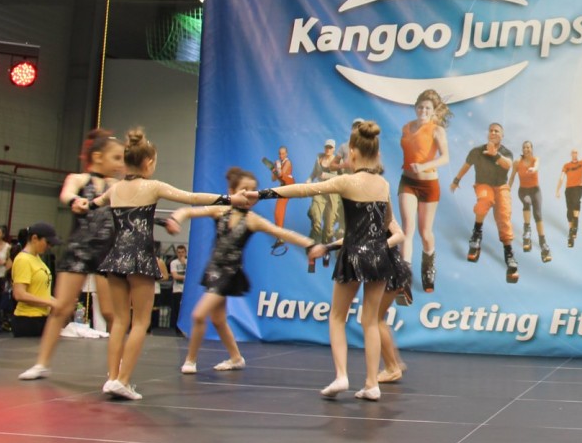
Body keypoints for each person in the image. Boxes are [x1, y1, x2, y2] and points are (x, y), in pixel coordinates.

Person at [247, 121, 408, 397]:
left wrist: (260, 194)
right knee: (370, 321)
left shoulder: (346, 181)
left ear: (353, 152)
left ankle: (342, 376)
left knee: (337, 317)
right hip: (378, 257)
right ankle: (372, 384)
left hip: (353, 254)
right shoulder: (383, 184)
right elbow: (388, 221)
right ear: (376, 153)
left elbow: (302, 190)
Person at [85, 128, 234, 401]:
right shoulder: (152, 186)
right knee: (140, 321)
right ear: (148, 162)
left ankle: (112, 378)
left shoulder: (115, 188)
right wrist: (229, 199)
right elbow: (192, 197)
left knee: (119, 321)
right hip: (139, 256)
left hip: (115, 257)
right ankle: (124, 380)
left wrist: (80, 203)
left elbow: (92, 204)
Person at [171, 168, 324, 374]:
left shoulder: (252, 219)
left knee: (199, 315)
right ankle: (236, 358)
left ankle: (190, 360)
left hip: (229, 274)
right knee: (218, 319)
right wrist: (177, 218)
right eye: (244, 190)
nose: (249, 195)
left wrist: (309, 243)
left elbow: (281, 232)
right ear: (231, 191)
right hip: (213, 269)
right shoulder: (220, 210)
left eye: (253, 191)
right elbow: (189, 211)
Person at [20, 130, 125, 381]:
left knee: (111, 313)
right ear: (97, 157)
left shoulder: (117, 186)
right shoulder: (78, 178)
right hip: (79, 249)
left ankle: (119, 367)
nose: (120, 164)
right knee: (61, 308)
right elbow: (67, 193)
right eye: (116, 158)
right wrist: (74, 201)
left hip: (106, 252)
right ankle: (42, 363)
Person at [451, 123, 518, 283]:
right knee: (484, 200)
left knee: (504, 217)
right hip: (483, 185)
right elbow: (466, 166)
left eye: (497, 131)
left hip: (501, 187)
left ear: (502, 136)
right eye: (491, 131)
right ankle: (477, 233)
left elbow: (508, 164)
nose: (493, 133)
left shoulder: (506, 153)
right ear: (488, 134)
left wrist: (495, 154)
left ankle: (509, 253)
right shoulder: (477, 151)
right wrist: (456, 180)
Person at [399, 89, 450, 292]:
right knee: (407, 231)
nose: (423, 111)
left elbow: (445, 157)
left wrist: (423, 166)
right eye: (420, 107)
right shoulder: (406, 127)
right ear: (415, 108)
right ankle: (404, 278)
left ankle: (428, 266)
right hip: (407, 183)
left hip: (429, 185)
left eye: (428, 108)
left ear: (433, 111)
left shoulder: (437, 130)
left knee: (425, 233)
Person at [10, 224, 61, 338]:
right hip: (27, 319)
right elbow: (19, 294)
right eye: (47, 242)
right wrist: (50, 302)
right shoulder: (23, 260)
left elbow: (39, 292)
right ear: (34, 238)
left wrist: (59, 302)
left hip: (41, 318)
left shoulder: (36, 258)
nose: (49, 246)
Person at [511, 140, 552, 263]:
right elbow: (512, 177)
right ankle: (527, 231)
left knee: (538, 215)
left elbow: (537, 166)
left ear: (532, 149)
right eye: (524, 147)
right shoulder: (517, 162)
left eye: (528, 147)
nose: (526, 149)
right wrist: (506, 190)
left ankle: (543, 243)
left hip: (535, 191)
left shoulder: (535, 159)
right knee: (527, 202)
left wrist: (533, 169)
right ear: (522, 149)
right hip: (523, 191)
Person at [307, 139, 341, 244]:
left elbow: (342, 178)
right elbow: (313, 173)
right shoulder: (319, 159)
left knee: (329, 225)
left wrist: (327, 176)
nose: (328, 149)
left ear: (334, 149)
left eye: (330, 147)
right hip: (320, 191)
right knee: (316, 218)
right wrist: (309, 180)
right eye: (327, 147)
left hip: (332, 194)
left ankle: (326, 245)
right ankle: (314, 244)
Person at [268, 146, 294, 235]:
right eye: (279, 154)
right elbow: (273, 179)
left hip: (289, 184)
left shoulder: (288, 162)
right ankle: (279, 234)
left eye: (283, 154)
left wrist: (277, 167)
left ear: (286, 154)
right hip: (283, 186)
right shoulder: (279, 163)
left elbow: (281, 174)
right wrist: (274, 170)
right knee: (278, 212)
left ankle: (280, 233)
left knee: (280, 210)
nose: (281, 155)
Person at [167, 245, 188, 335]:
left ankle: (186, 328)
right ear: (176, 253)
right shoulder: (174, 263)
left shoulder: (189, 262)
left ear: (185, 253)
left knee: (187, 310)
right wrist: (186, 277)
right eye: (179, 252)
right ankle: (178, 330)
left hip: (187, 291)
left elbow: (193, 274)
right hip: (177, 290)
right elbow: (175, 276)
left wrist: (185, 263)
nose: (181, 254)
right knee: (178, 310)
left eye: (182, 252)